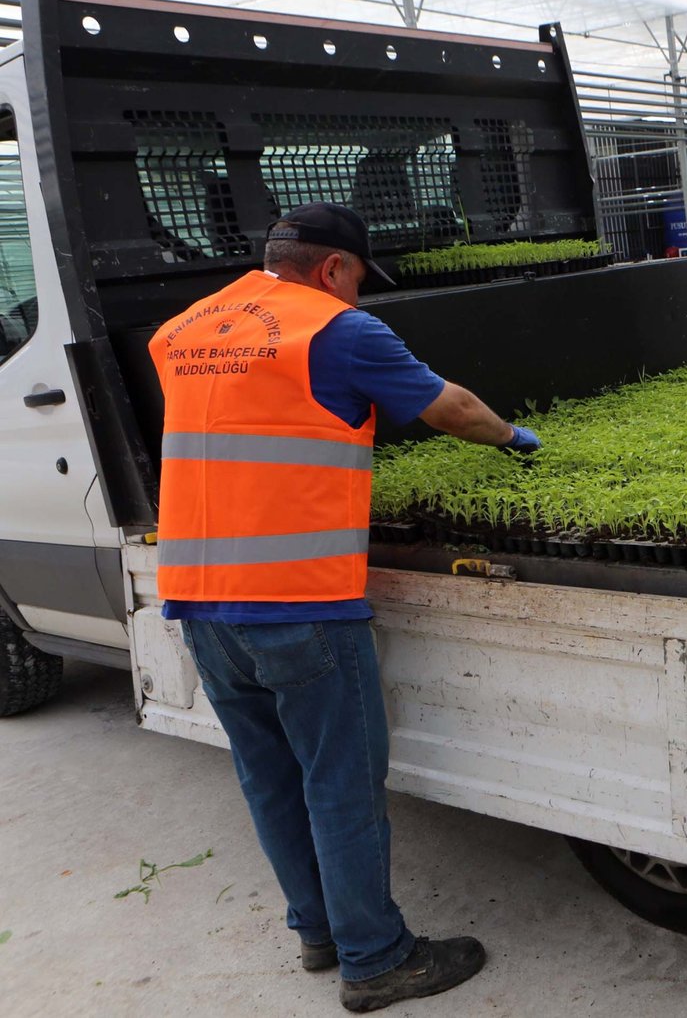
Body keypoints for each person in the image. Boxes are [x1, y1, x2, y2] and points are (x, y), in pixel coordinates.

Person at [148, 202, 542, 1013]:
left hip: (198, 602)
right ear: (333, 269)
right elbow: (451, 409)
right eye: (358, 279)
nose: (359, 295)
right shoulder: (336, 329)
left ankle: (318, 932)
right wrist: (511, 438)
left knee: (270, 778)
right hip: (298, 603)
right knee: (341, 783)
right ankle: (376, 959)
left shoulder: (182, 329)